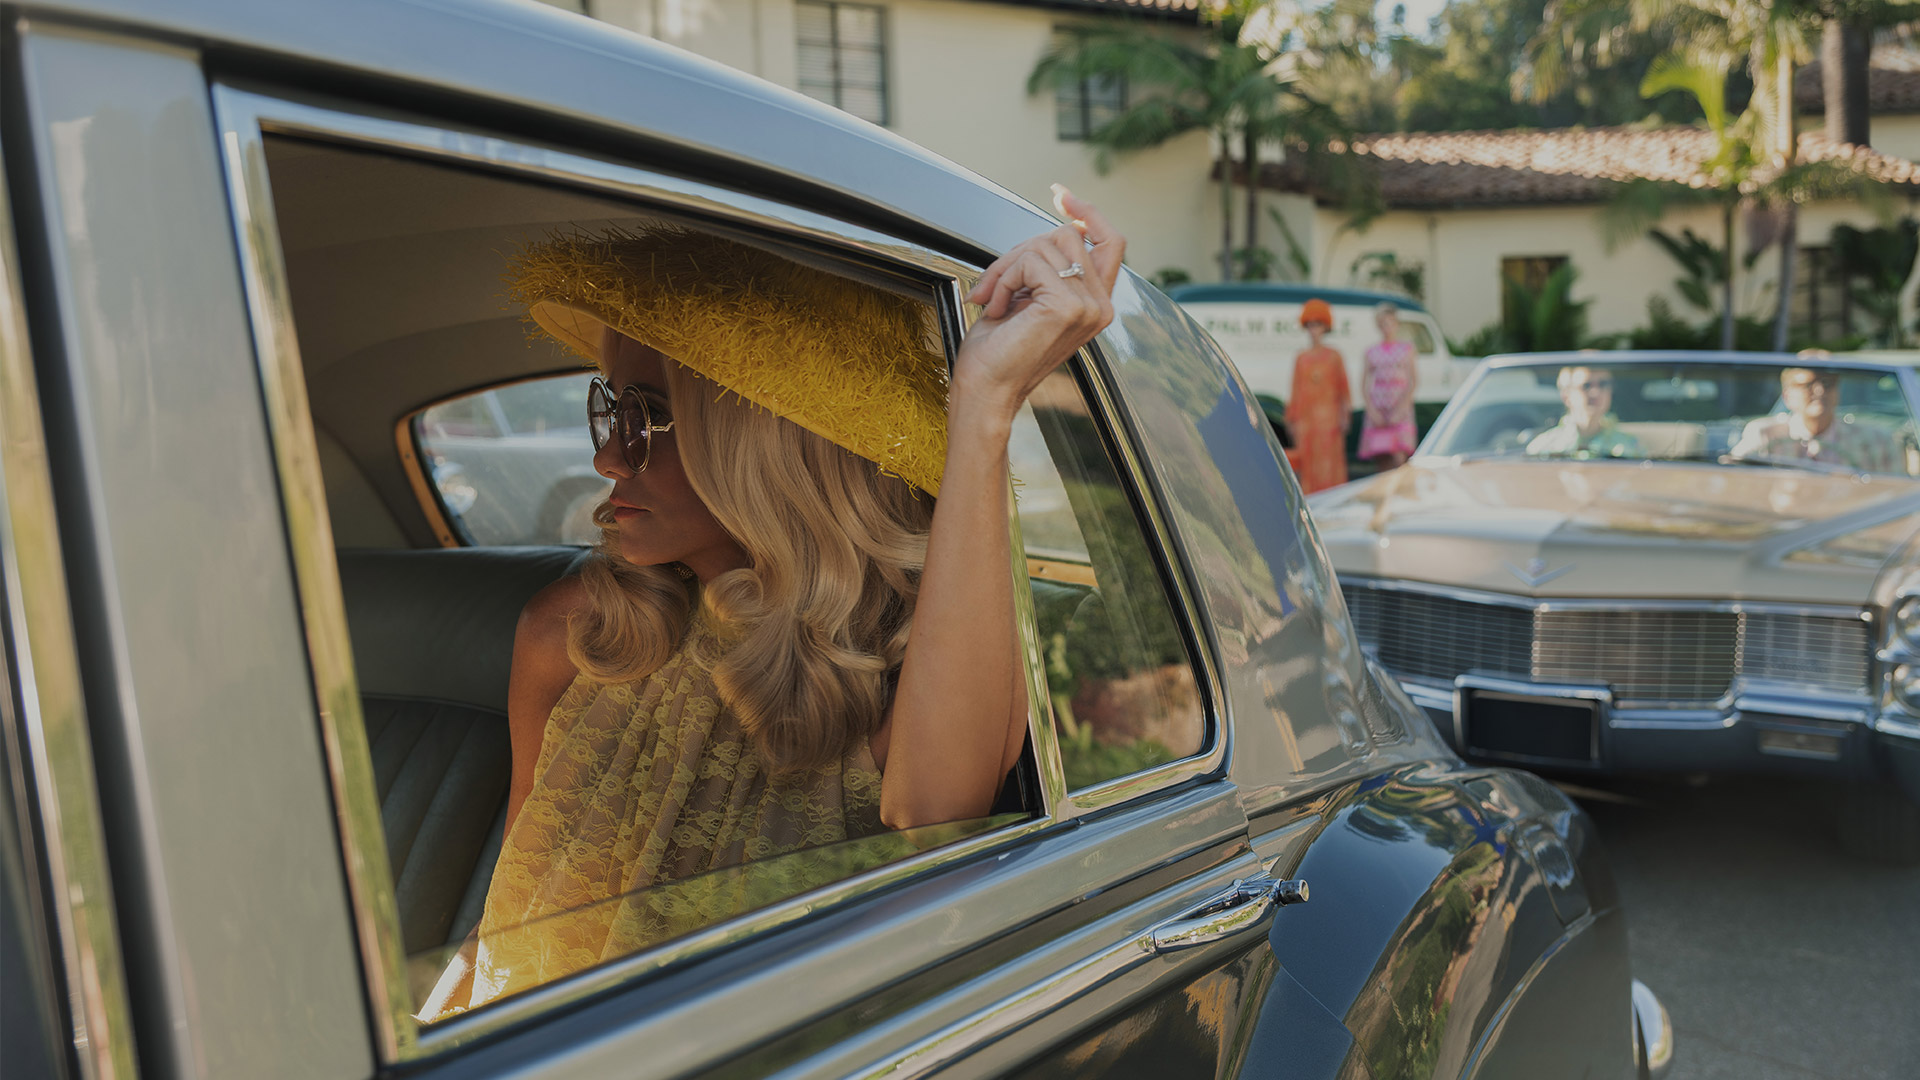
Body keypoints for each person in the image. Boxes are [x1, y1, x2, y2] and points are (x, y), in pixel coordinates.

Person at [419, 191, 1127, 1017]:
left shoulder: (895, 653)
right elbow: (515, 909)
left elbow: (936, 813)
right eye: (609, 408)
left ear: (760, 440)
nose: (609, 458)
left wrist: (985, 404)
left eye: (646, 417)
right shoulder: (577, 630)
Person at [1729, 363, 1900, 474]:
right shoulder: (1765, 435)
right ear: (1787, 396)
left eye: (1827, 383)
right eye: (1808, 385)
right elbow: (1732, 476)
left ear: (1837, 391)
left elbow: (1897, 496)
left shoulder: (1875, 441)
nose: (1819, 391)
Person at [1285, 298, 1350, 492]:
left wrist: (1345, 416)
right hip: (1306, 422)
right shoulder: (1301, 358)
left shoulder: (1335, 356)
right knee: (1307, 465)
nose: (1314, 330)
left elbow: (1343, 389)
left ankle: (1332, 501)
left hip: (1330, 422)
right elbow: (1295, 390)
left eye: (1318, 325)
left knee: (1329, 465)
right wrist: (1291, 419)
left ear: (1325, 327)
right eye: (1310, 325)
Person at [1525, 365, 1642, 458]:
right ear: (1566, 396)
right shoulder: (1543, 448)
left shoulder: (1632, 447)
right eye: (1586, 385)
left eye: (1603, 384)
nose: (1595, 392)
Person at [1357, 302, 1417, 471]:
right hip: (1379, 410)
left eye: (1390, 323)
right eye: (1383, 323)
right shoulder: (1371, 352)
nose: (1387, 327)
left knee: (1399, 458)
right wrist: (1372, 411)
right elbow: (1364, 384)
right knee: (1382, 458)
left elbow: (1413, 381)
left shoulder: (1407, 349)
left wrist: (1402, 409)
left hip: (1399, 409)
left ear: (1397, 324)